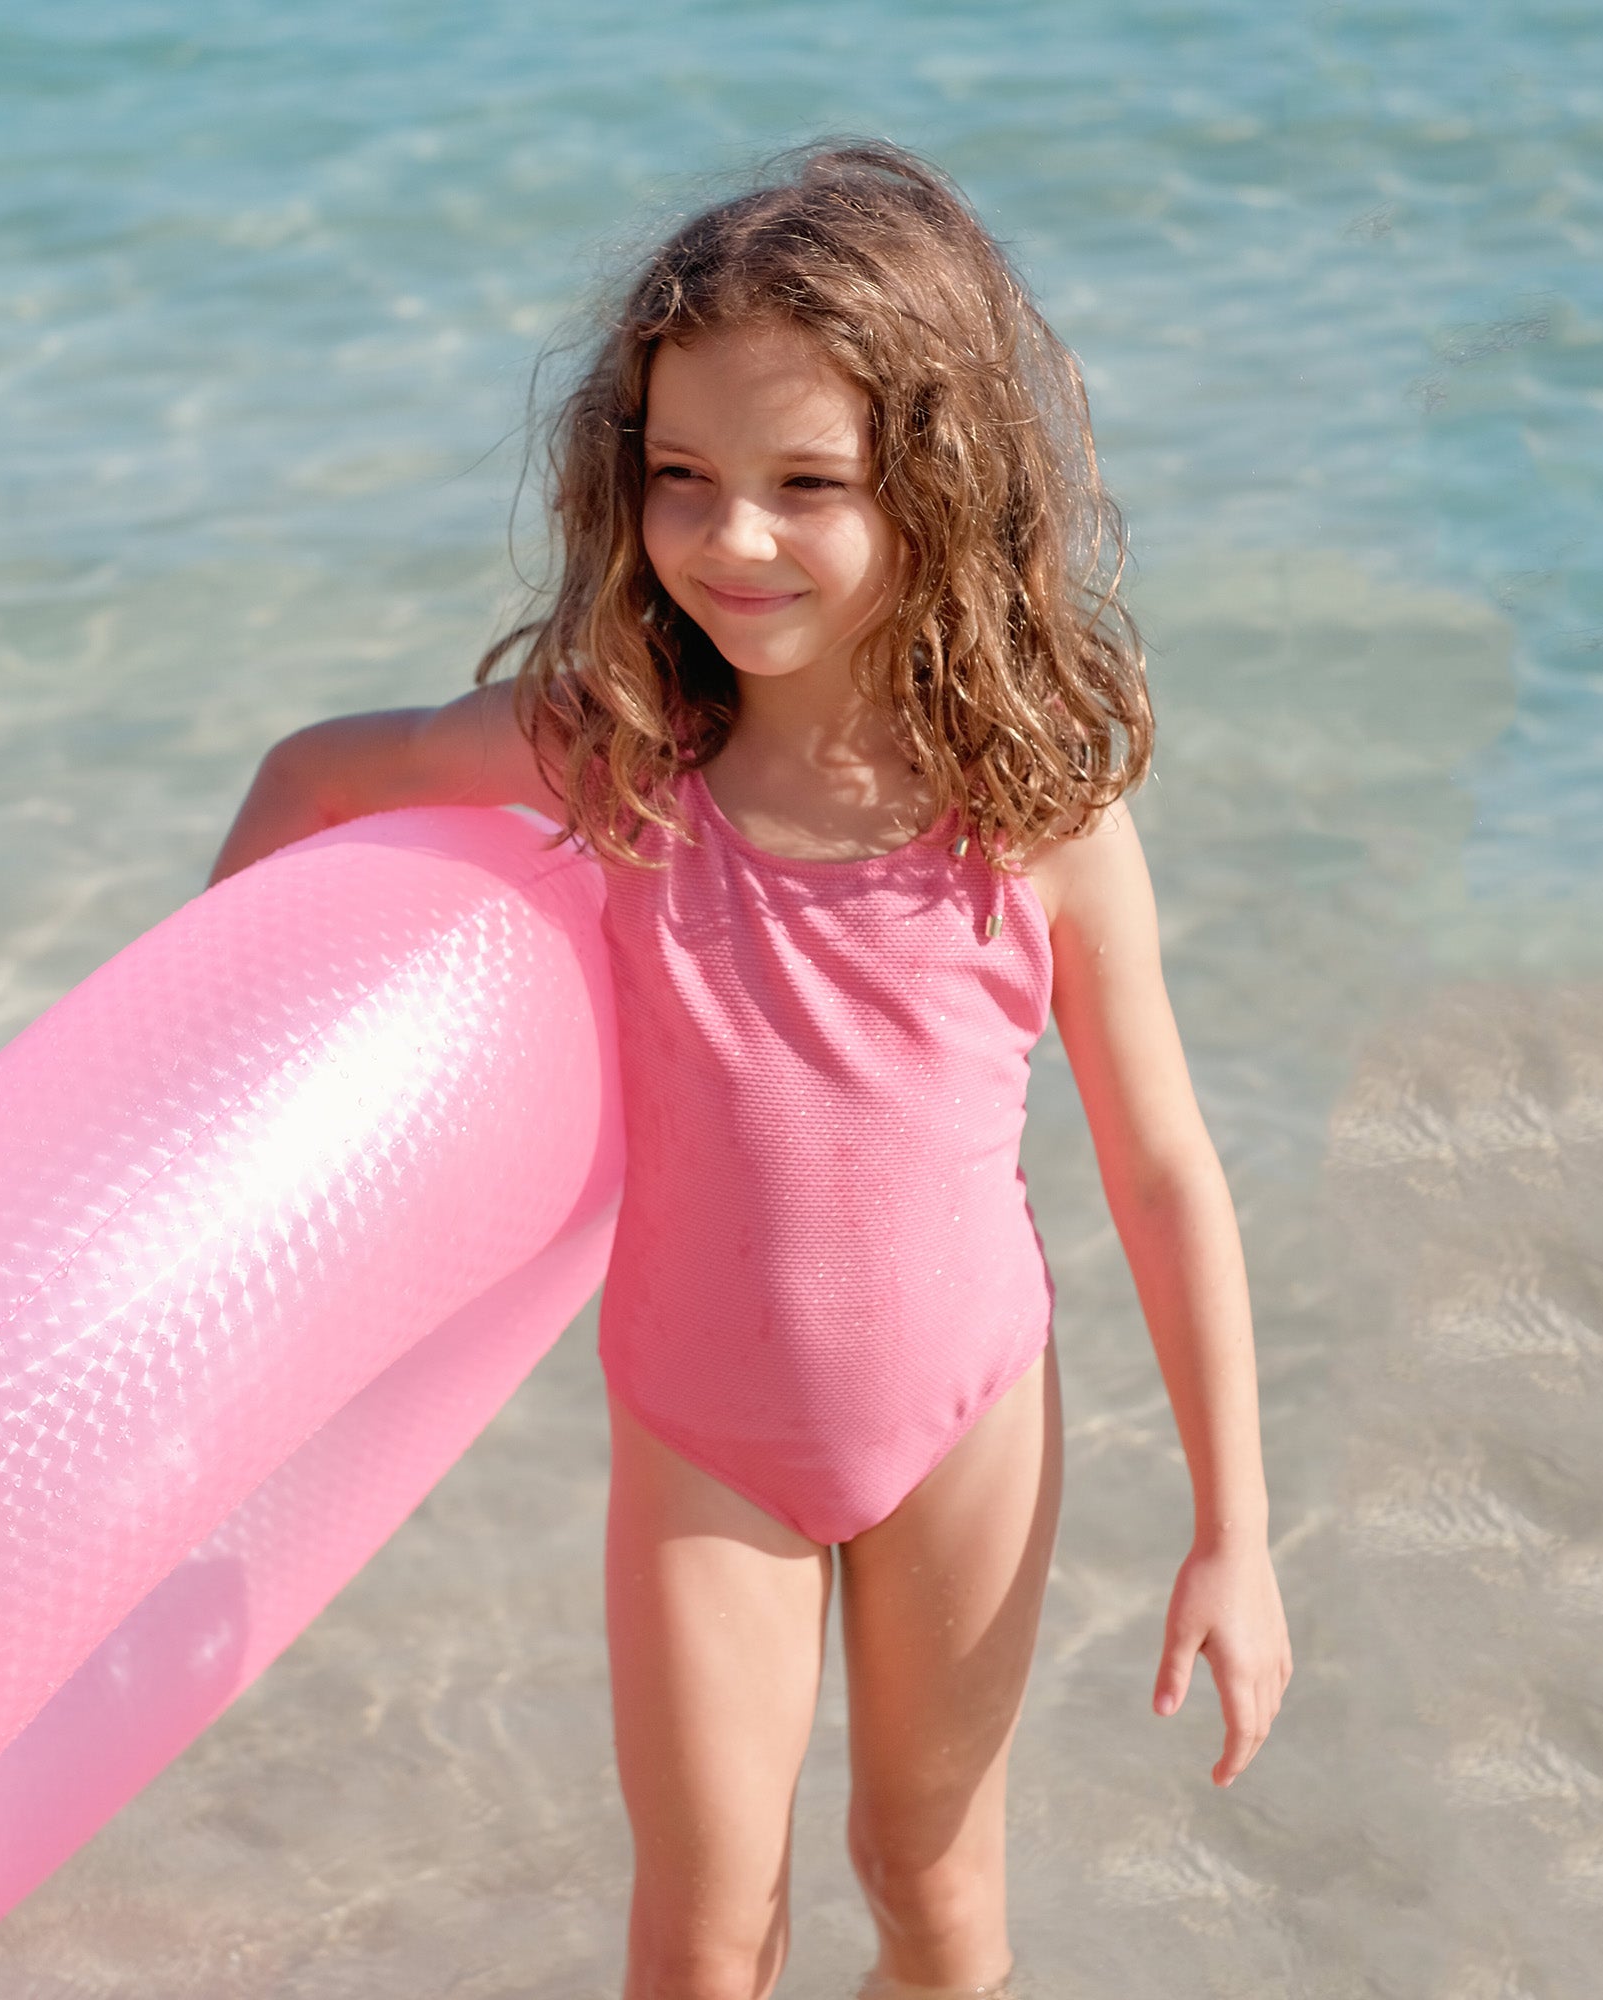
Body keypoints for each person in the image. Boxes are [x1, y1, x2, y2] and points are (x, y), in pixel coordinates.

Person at [209, 139, 1290, 2000]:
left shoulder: (1032, 814)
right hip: (707, 1441)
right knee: (701, 1947)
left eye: (809, 485)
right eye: (684, 479)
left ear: (938, 492)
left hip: (964, 1423)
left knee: (935, 1910)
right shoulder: (609, 754)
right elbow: (316, 775)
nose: (733, 539)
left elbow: (1165, 1169)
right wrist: (215, 1102)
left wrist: (1236, 1534)